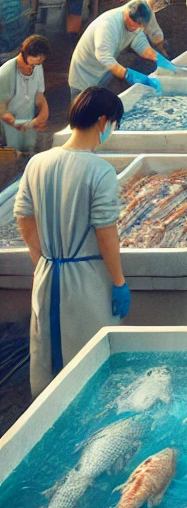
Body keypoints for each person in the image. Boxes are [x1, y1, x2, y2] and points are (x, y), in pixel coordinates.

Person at [15, 87, 130, 397]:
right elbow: (105, 231)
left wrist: (43, 262)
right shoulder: (100, 170)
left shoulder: (38, 162)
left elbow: (23, 218)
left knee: (49, 369)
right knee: (89, 374)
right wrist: (119, 281)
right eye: (113, 123)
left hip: (49, 275)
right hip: (86, 283)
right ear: (103, 121)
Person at [67, 0, 168, 100]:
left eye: (138, 27)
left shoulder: (135, 26)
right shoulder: (108, 26)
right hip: (85, 74)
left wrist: (158, 58)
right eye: (132, 25)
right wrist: (128, 75)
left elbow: (141, 44)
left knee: (102, 108)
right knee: (81, 109)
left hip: (103, 74)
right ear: (126, 12)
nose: (134, 28)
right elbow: (104, 57)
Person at [0, 34, 50, 154]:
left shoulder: (37, 67)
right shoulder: (6, 73)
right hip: (8, 131)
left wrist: (42, 115)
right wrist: (16, 124)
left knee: (29, 154)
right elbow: (2, 109)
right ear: (26, 53)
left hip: (28, 127)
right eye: (37, 60)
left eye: (41, 60)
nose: (39, 63)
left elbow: (39, 96)